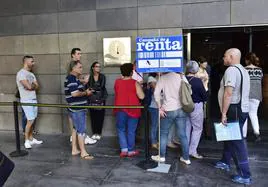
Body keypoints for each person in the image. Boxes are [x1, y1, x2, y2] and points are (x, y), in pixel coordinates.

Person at [215, 48, 251, 185]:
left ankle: (245, 174)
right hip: (241, 109)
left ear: (231, 56)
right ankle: (225, 161)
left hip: (234, 109)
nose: (223, 58)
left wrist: (224, 113)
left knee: (237, 142)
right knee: (229, 138)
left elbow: (228, 94)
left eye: (225, 56)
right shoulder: (243, 70)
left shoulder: (231, 70)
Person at [151, 72, 190, 165]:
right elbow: (190, 91)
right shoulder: (181, 76)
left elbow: (156, 93)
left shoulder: (163, 78)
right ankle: (186, 158)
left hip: (167, 109)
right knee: (182, 134)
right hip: (181, 109)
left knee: (163, 133)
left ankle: (162, 157)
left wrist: (160, 107)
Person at [64, 60, 94, 160]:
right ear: (74, 68)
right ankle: (83, 152)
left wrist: (82, 82)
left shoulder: (72, 78)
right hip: (77, 109)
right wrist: (86, 93)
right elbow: (75, 93)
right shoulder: (72, 78)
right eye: (80, 67)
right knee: (81, 130)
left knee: (75, 129)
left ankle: (75, 149)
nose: (82, 69)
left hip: (74, 108)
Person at [114, 63, 144, 157]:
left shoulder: (117, 82)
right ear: (131, 72)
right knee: (131, 130)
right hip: (133, 109)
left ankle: (124, 150)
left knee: (121, 129)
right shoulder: (135, 82)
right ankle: (131, 150)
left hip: (120, 108)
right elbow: (142, 96)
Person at [68, 48, 96, 145]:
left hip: (78, 103)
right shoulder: (72, 73)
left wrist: (83, 82)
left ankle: (76, 145)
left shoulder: (74, 75)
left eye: (81, 54)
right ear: (72, 55)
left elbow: (76, 84)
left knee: (77, 127)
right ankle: (82, 148)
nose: (80, 55)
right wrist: (85, 88)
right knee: (78, 128)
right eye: (78, 53)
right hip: (76, 105)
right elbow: (74, 91)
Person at [16, 56, 43, 149]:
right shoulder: (21, 73)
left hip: (33, 99)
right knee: (30, 120)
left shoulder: (31, 74)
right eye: (32, 61)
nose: (33, 63)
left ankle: (31, 138)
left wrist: (31, 85)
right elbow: (29, 86)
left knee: (33, 119)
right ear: (26, 62)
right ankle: (26, 140)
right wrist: (31, 85)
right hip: (26, 100)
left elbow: (37, 86)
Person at [185, 61, 207, 159]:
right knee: (197, 129)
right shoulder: (198, 81)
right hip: (196, 106)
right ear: (196, 69)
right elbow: (204, 96)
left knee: (186, 128)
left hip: (184, 106)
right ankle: (192, 151)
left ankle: (185, 150)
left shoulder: (183, 79)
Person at [243, 53, 263, 142]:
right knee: (254, 114)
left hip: (246, 94)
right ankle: (257, 133)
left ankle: (243, 134)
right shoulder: (260, 70)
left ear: (247, 60)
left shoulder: (244, 70)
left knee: (244, 114)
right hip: (257, 95)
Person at [87, 61, 108, 141]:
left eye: (99, 66)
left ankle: (98, 133)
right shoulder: (89, 76)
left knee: (100, 116)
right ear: (93, 68)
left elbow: (101, 86)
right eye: (96, 66)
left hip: (101, 98)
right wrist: (93, 89)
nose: (98, 68)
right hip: (91, 98)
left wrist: (92, 89)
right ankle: (94, 133)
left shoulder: (102, 76)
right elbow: (87, 86)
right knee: (93, 116)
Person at [147, 75, 159, 149]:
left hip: (157, 106)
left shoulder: (159, 78)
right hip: (153, 106)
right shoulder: (151, 78)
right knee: (154, 125)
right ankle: (153, 142)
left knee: (156, 125)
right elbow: (156, 90)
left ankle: (155, 141)